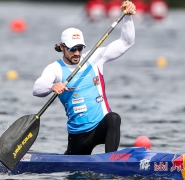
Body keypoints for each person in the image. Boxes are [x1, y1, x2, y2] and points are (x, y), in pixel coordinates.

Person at [33, 0, 136, 155]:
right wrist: (51, 87)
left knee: (113, 118)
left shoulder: (95, 58)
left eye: (80, 48)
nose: (77, 53)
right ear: (62, 47)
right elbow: (37, 88)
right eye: (72, 49)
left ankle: (111, 161)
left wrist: (128, 18)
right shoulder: (55, 69)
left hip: (100, 127)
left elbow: (126, 42)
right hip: (78, 136)